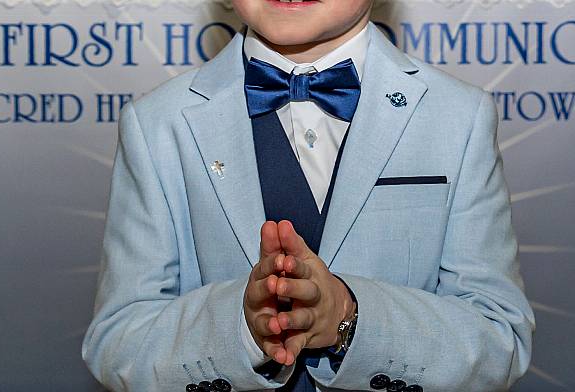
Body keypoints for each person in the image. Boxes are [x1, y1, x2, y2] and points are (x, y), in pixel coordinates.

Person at [82, 1, 535, 391]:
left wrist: (349, 316)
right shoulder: (158, 123)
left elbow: (500, 339)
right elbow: (118, 343)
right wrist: (239, 327)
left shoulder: (458, 116)